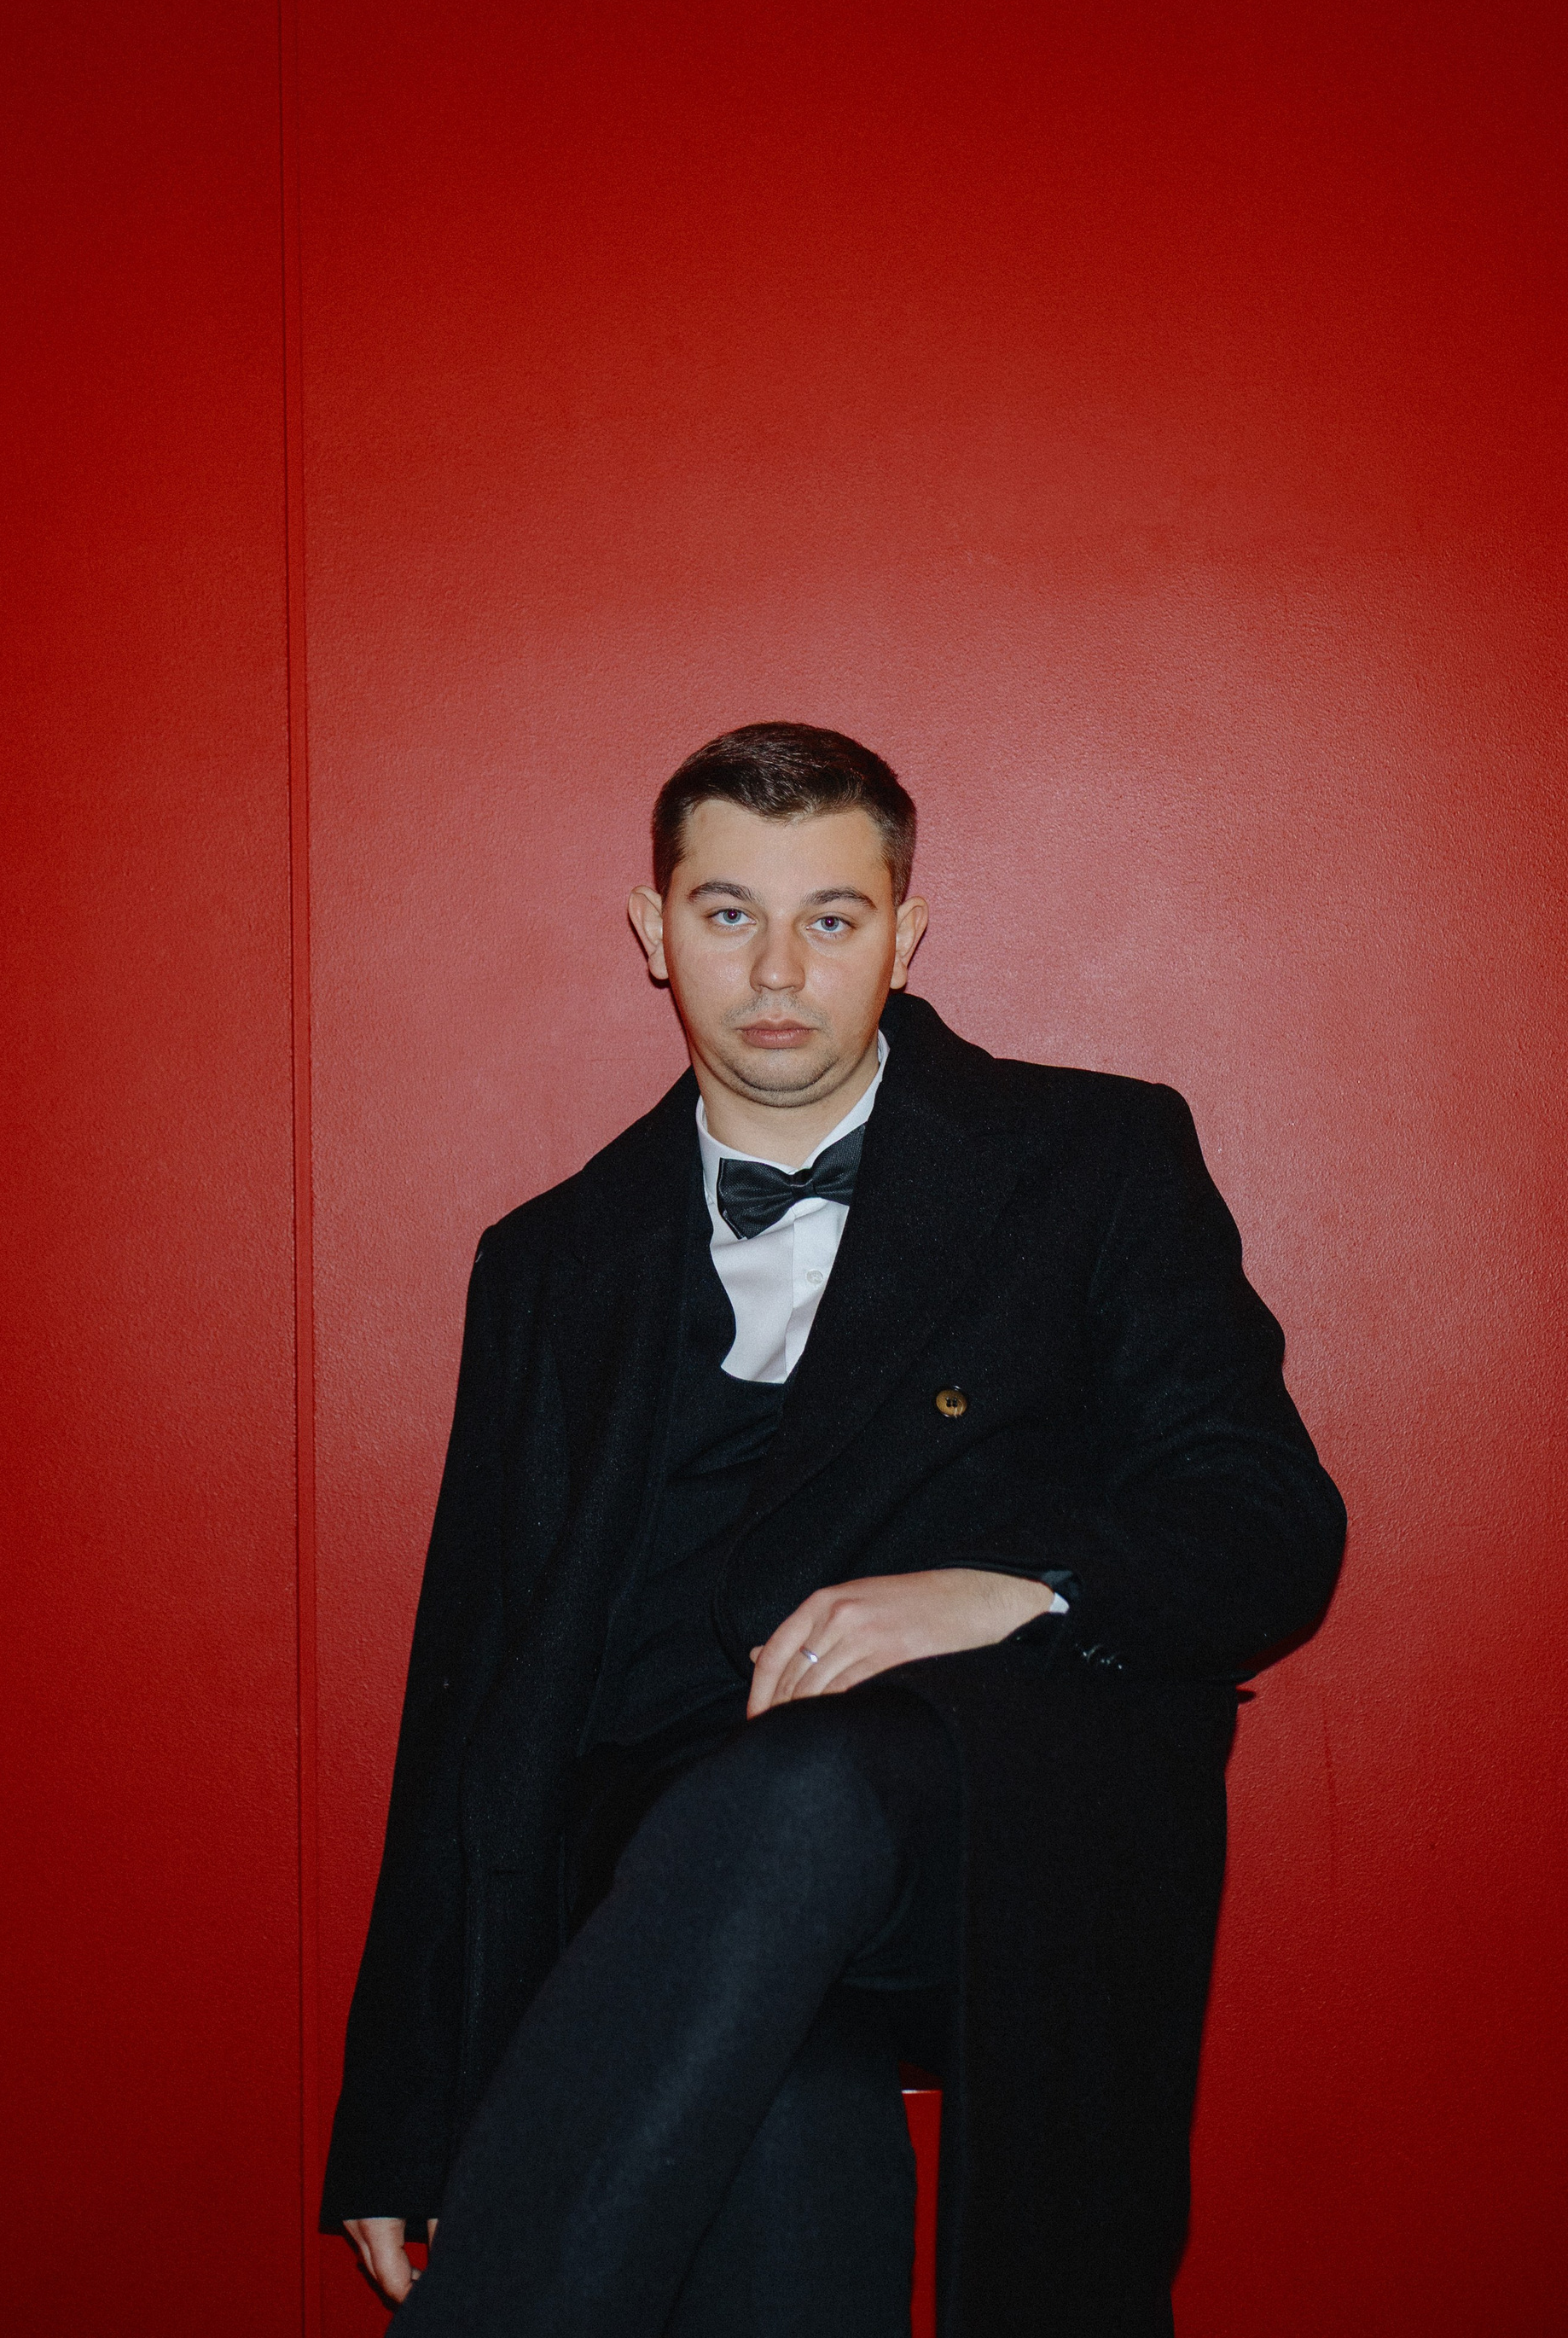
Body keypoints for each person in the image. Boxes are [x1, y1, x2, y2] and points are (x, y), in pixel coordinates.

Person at [321, 723, 1344, 2336]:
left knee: (799, 1787)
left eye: (833, 916)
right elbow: (470, 1680)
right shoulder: (547, 1260)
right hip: (652, 1857)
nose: (780, 970)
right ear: (654, 931)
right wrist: (405, 2101)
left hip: (983, 1822)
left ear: (906, 933)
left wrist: (1007, 1592)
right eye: (729, 913)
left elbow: (1270, 1520)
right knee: (784, 2107)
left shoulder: (1090, 1159)